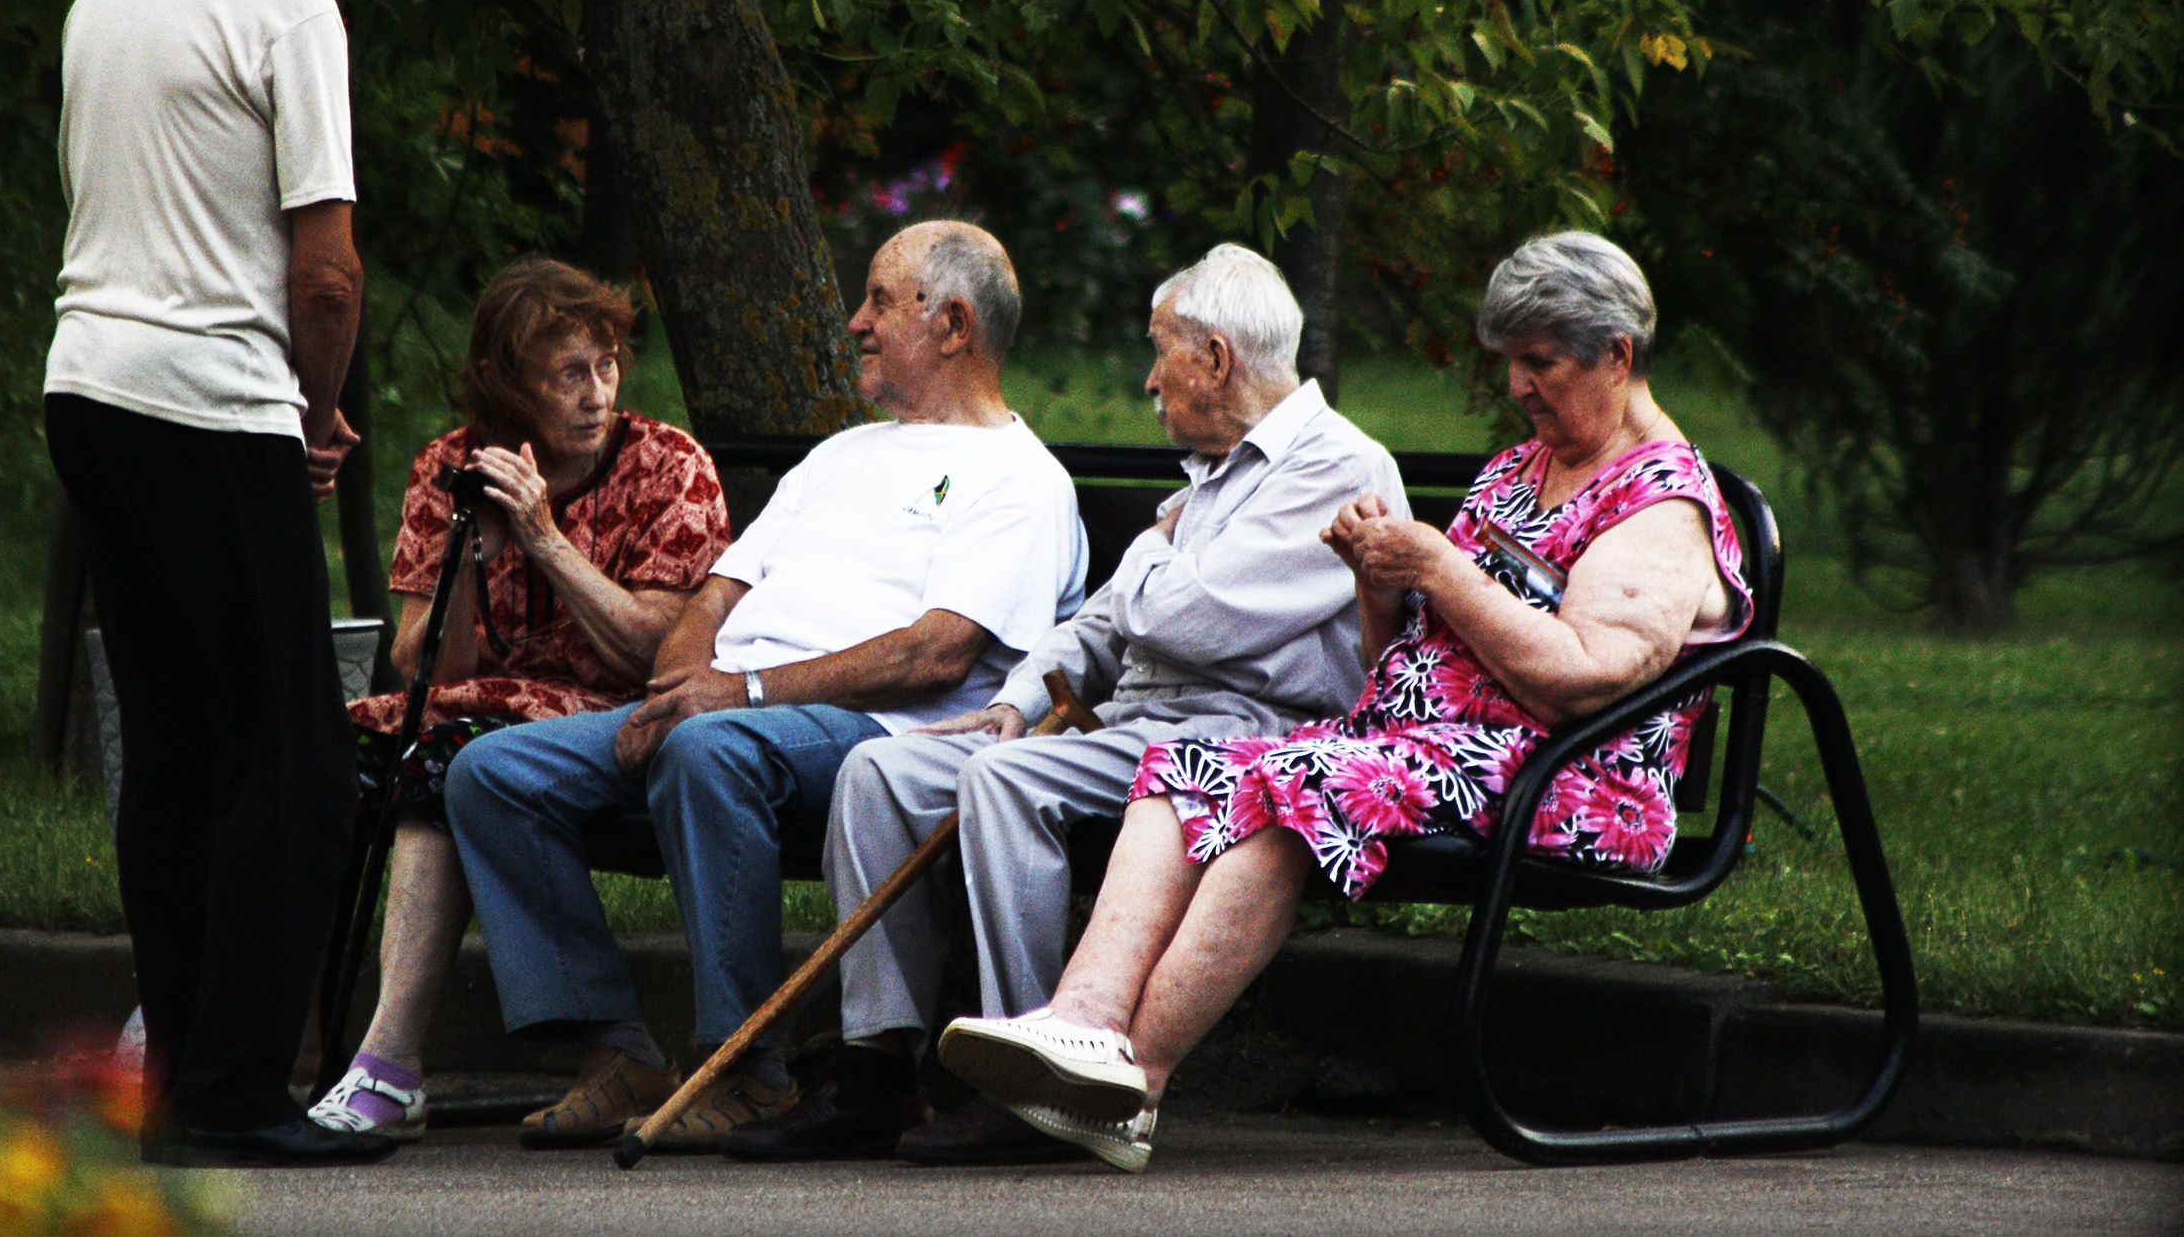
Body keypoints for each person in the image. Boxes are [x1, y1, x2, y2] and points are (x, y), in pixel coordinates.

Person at [937, 232, 1753, 1172]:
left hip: (1564, 777)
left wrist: (1441, 567)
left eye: (1543, 363)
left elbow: (1580, 675)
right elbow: (1400, 662)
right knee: (1188, 766)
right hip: (1426, 750)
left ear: (1617, 353)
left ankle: (1137, 1078)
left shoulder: (1658, 502)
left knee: (1293, 786)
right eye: (1511, 364)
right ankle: (1080, 1022)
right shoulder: (1520, 469)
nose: (1522, 386)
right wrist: (1378, 583)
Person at [725, 244, 1408, 1165]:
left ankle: (1031, 1077)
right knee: (883, 768)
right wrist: (1012, 700)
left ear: (1214, 357)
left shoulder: (1337, 465)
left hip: (1238, 734)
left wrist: (1150, 564)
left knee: (1008, 783)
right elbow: (1106, 621)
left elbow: (1187, 619)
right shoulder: (1216, 470)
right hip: (1140, 724)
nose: (1147, 377)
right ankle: (877, 1065)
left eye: (1161, 349)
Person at [443, 221, 1087, 1152]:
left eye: (879, 299)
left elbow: (935, 655)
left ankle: (743, 1067)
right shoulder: (842, 458)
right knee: (493, 773)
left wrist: (737, 692)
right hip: (727, 709)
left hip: (878, 732)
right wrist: (687, 674)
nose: (856, 321)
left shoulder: (1021, 481)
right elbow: (716, 595)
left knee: (710, 749)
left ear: (953, 324)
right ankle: (618, 1049)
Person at [43, 0, 396, 1167]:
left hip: (87, 386)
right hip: (207, 394)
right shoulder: (286, 1)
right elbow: (324, 266)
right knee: (298, 757)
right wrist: (318, 406)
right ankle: (241, 1091)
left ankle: (177, 1071)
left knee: (178, 747)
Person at [307, 260, 733, 1141]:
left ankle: (388, 1061)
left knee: (440, 760)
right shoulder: (452, 466)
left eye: (608, 364)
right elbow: (430, 664)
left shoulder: (667, 462)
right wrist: (472, 556)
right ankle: (226, 1031)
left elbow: (654, 653)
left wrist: (543, 540)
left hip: (619, 716)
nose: (597, 391)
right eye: (568, 372)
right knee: (314, 760)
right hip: (479, 712)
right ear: (508, 385)